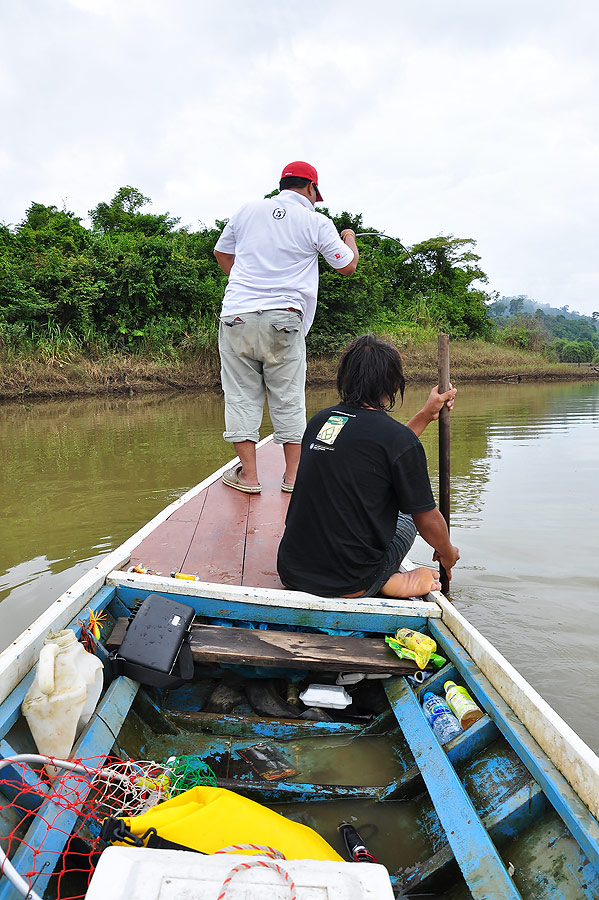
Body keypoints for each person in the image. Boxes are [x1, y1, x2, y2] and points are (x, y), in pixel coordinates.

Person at [213, 161, 359, 495]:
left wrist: (249, 288)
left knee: (239, 396)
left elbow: (222, 253)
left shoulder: (247, 210)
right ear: (311, 188)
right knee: (288, 397)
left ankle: (249, 477)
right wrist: (349, 237)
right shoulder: (316, 221)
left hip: (237, 316)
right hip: (284, 320)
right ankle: (292, 478)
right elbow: (347, 266)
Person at [277, 334, 460, 599]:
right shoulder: (397, 439)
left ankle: (377, 577)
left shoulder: (322, 422)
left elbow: (377, 449)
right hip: (351, 582)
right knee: (408, 512)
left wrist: (425, 414)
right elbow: (427, 520)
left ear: (345, 378)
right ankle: (384, 579)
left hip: (293, 571)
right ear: (395, 384)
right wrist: (447, 552)